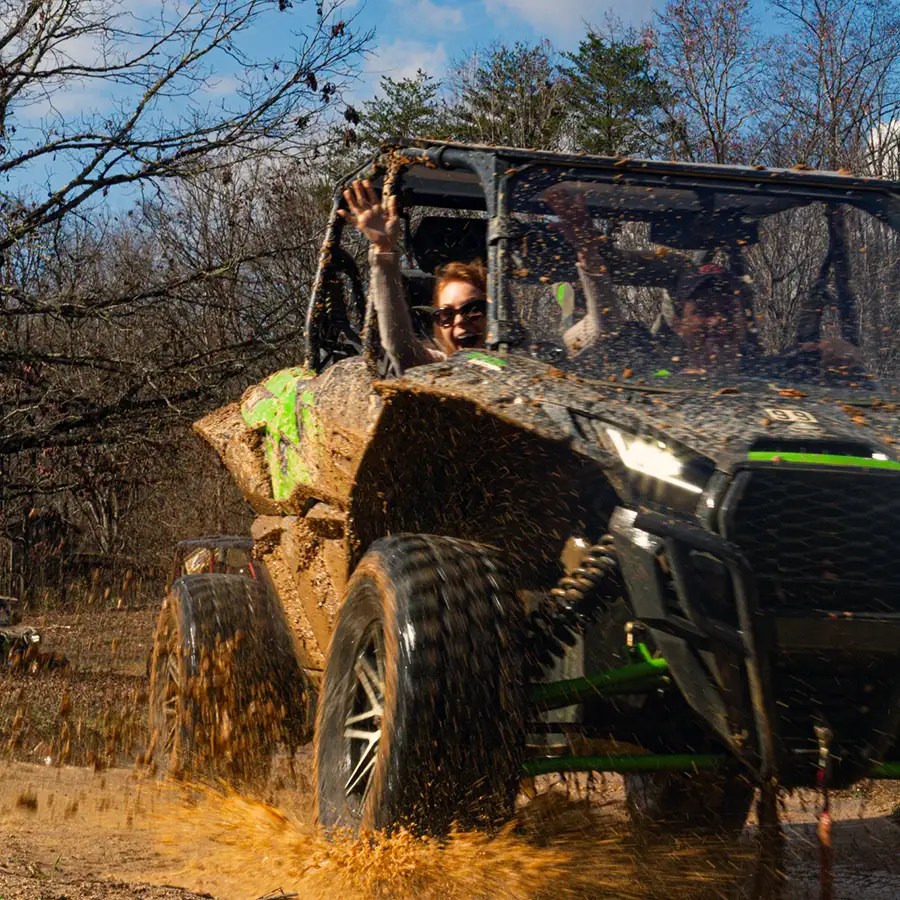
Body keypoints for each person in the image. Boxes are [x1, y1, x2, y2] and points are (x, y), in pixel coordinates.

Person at [338, 179, 488, 372]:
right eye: (446, 315)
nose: (459, 321)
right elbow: (401, 349)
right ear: (439, 325)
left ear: (491, 310)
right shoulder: (436, 368)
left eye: (472, 310)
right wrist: (384, 250)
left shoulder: (523, 369)